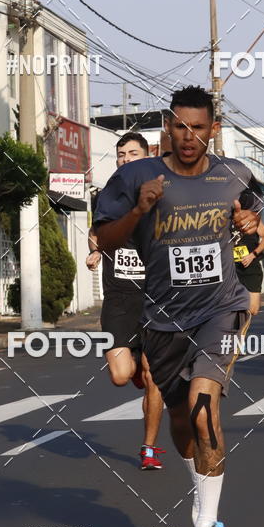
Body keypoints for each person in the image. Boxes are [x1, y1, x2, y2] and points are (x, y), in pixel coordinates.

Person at [94, 85, 262, 527]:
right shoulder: (135, 177)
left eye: (200, 128)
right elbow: (104, 239)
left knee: (204, 406)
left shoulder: (235, 173)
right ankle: (198, 485)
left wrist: (253, 223)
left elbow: (256, 217)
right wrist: (139, 211)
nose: (190, 137)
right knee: (183, 422)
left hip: (221, 309)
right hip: (163, 319)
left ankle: (209, 525)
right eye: (181, 127)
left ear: (214, 130)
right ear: (167, 127)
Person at [87, 132, 165, 470]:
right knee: (121, 375)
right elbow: (96, 232)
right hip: (119, 298)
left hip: (157, 299)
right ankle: (135, 368)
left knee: (154, 377)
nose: (125, 159)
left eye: (133, 153)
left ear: (148, 157)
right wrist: (94, 250)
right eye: (120, 154)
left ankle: (148, 449)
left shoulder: (164, 197)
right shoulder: (109, 196)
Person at [233, 214, 264, 315]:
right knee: (233, 309)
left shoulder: (251, 216)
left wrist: (253, 255)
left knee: (253, 310)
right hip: (230, 268)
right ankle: (237, 330)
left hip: (251, 266)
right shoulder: (223, 216)